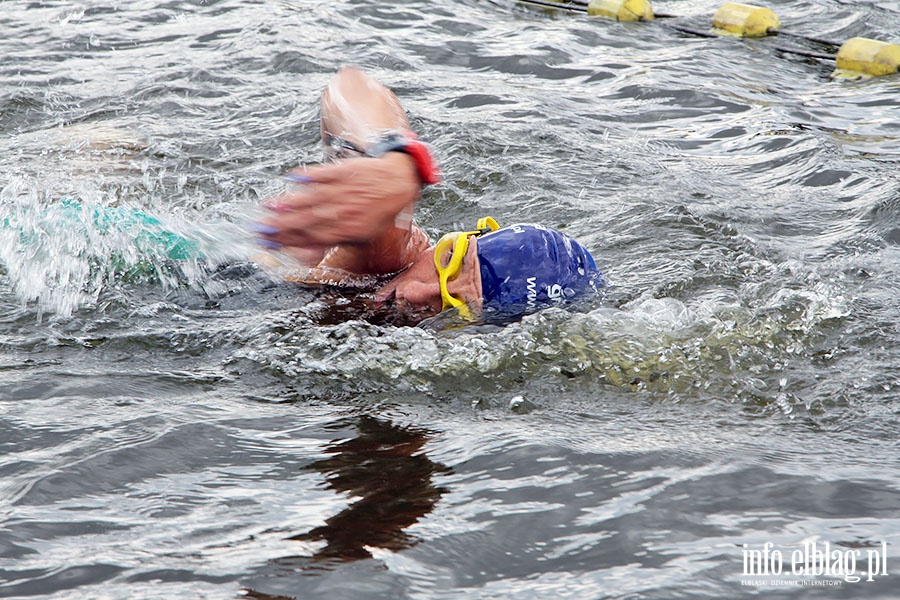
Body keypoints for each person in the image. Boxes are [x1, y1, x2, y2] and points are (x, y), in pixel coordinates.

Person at [254, 67, 605, 325]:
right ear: (466, 237)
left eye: (456, 304)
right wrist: (395, 158)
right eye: (449, 261)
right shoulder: (387, 246)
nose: (419, 294)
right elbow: (350, 87)